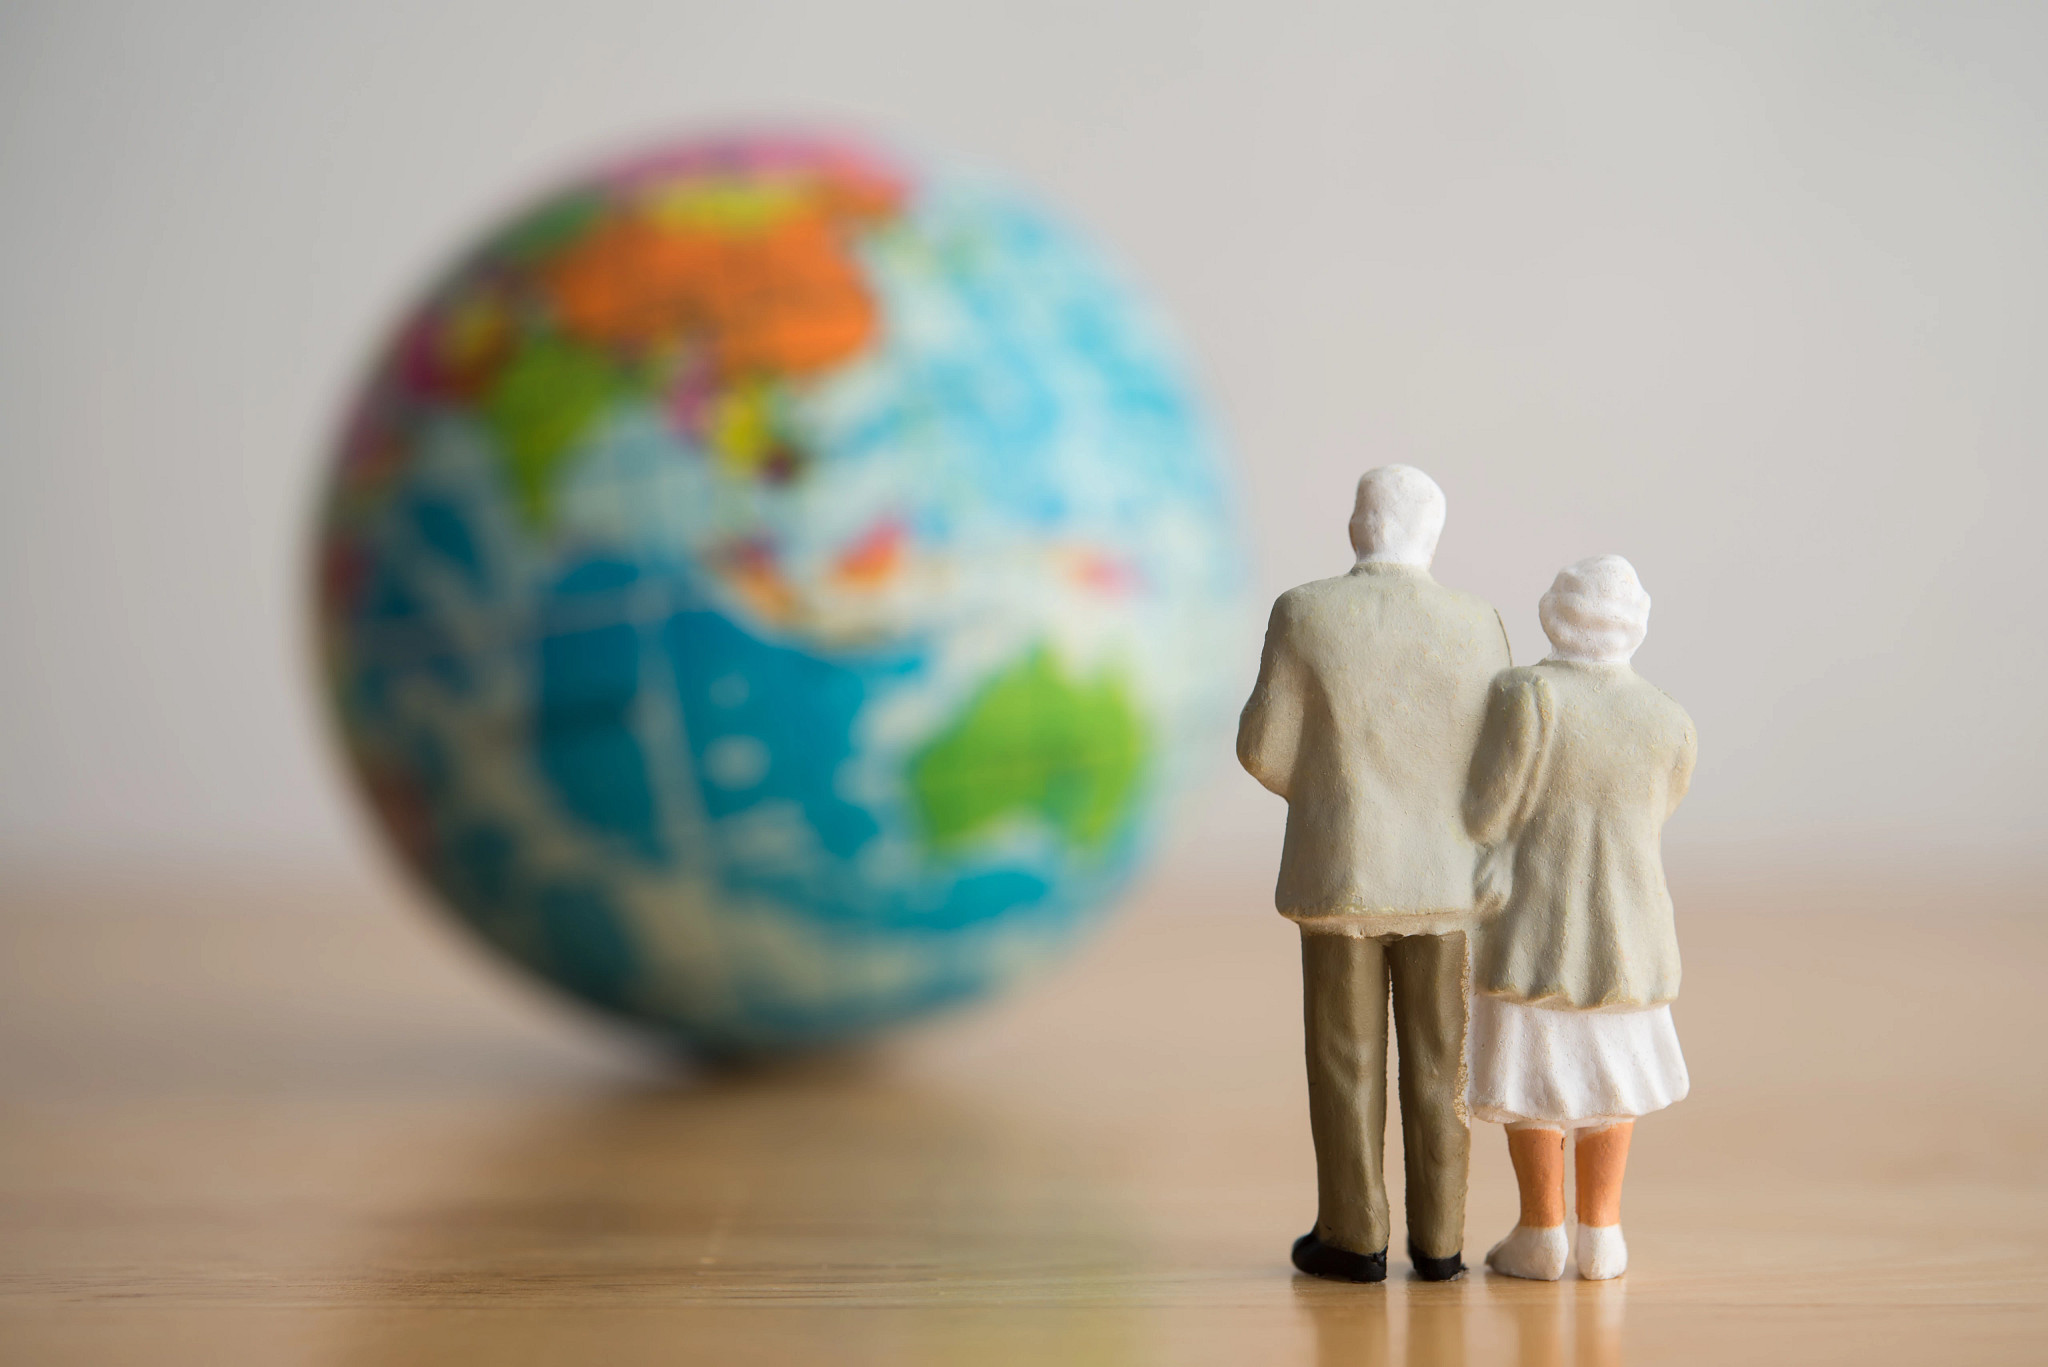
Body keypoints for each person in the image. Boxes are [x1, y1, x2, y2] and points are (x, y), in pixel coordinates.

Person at [1237, 465, 1511, 1283]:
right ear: (1433, 532)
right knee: (1443, 1063)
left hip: (1343, 870)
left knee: (1345, 1054)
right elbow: (1501, 762)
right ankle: (1441, 1238)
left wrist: (1332, 788)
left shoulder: (1305, 613)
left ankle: (1354, 1232)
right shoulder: (1479, 623)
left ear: (1359, 524)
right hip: (1448, 882)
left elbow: (1262, 749)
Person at [1462, 555, 1697, 1281]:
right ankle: (1603, 1232)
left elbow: (1484, 809)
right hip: (1631, 934)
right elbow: (1662, 808)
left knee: (1533, 1079)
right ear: (1637, 623)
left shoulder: (1528, 696)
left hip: (1535, 927)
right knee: (1611, 1079)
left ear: (1554, 614)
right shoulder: (1668, 720)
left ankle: (1542, 1230)